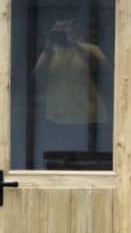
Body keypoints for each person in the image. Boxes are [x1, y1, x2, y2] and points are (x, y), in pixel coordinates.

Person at [31, 17, 109, 168]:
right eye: (59, 30)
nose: (63, 33)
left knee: (89, 166)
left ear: (77, 29)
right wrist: (47, 49)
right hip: (58, 119)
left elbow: (107, 73)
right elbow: (33, 79)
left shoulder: (91, 49)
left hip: (90, 119)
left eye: (67, 28)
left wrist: (76, 44)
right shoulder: (50, 53)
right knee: (58, 165)